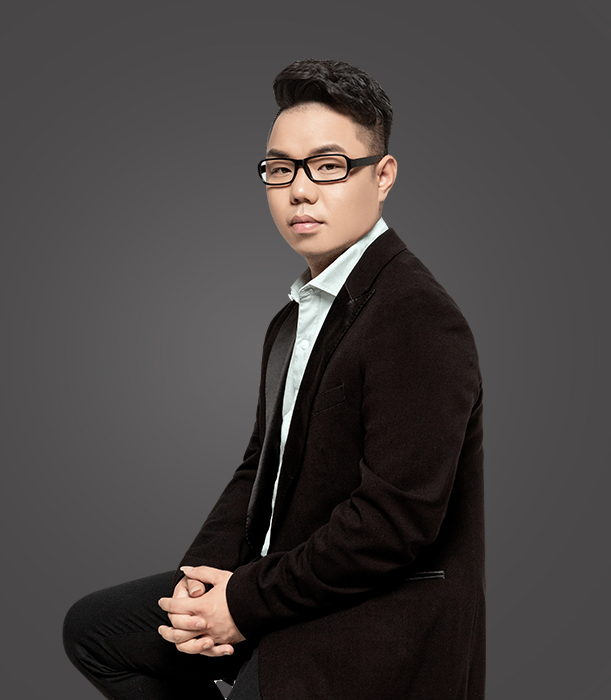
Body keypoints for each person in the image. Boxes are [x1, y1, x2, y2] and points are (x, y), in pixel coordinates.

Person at [63, 58, 485, 700]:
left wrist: (242, 604)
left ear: (383, 176)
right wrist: (201, 583)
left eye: (328, 166)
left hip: (378, 616)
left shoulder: (417, 317)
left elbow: (393, 525)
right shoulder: (296, 316)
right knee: (96, 632)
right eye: (281, 169)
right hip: (290, 582)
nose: (300, 191)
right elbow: (262, 461)